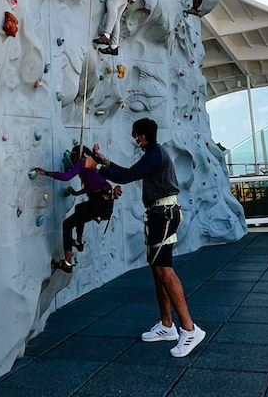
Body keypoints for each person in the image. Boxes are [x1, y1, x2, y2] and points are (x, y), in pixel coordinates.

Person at [83, 118, 206, 358]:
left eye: (134, 135)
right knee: (158, 270)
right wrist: (102, 161)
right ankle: (167, 325)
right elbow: (128, 172)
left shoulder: (154, 154)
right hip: (159, 214)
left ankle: (190, 330)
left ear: (142, 136)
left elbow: (126, 177)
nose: (133, 139)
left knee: (165, 271)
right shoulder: (153, 152)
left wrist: (94, 167)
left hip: (165, 214)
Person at [33, 145, 121, 273]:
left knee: (67, 224)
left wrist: (45, 173)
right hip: (103, 203)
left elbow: (66, 177)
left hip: (99, 203)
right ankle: (79, 242)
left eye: (72, 157)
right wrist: (76, 193)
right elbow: (92, 185)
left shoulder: (82, 163)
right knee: (80, 207)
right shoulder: (93, 165)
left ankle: (67, 262)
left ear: (77, 155)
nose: (72, 161)